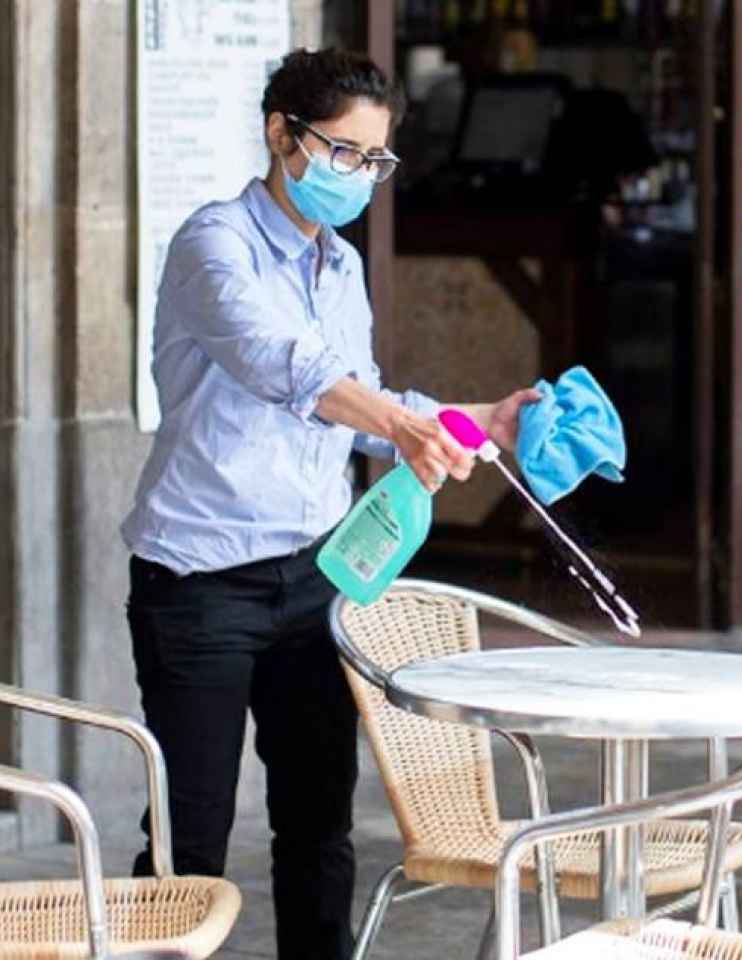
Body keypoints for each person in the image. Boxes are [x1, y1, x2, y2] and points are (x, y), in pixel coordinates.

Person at [120, 49, 539, 960]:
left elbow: (368, 412)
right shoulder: (213, 243)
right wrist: (394, 416)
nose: (360, 176)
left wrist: (484, 422)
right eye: (344, 153)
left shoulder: (339, 268)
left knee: (318, 828)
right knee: (186, 844)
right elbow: (288, 367)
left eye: (375, 160)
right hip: (200, 584)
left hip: (319, 578)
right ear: (282, 133)